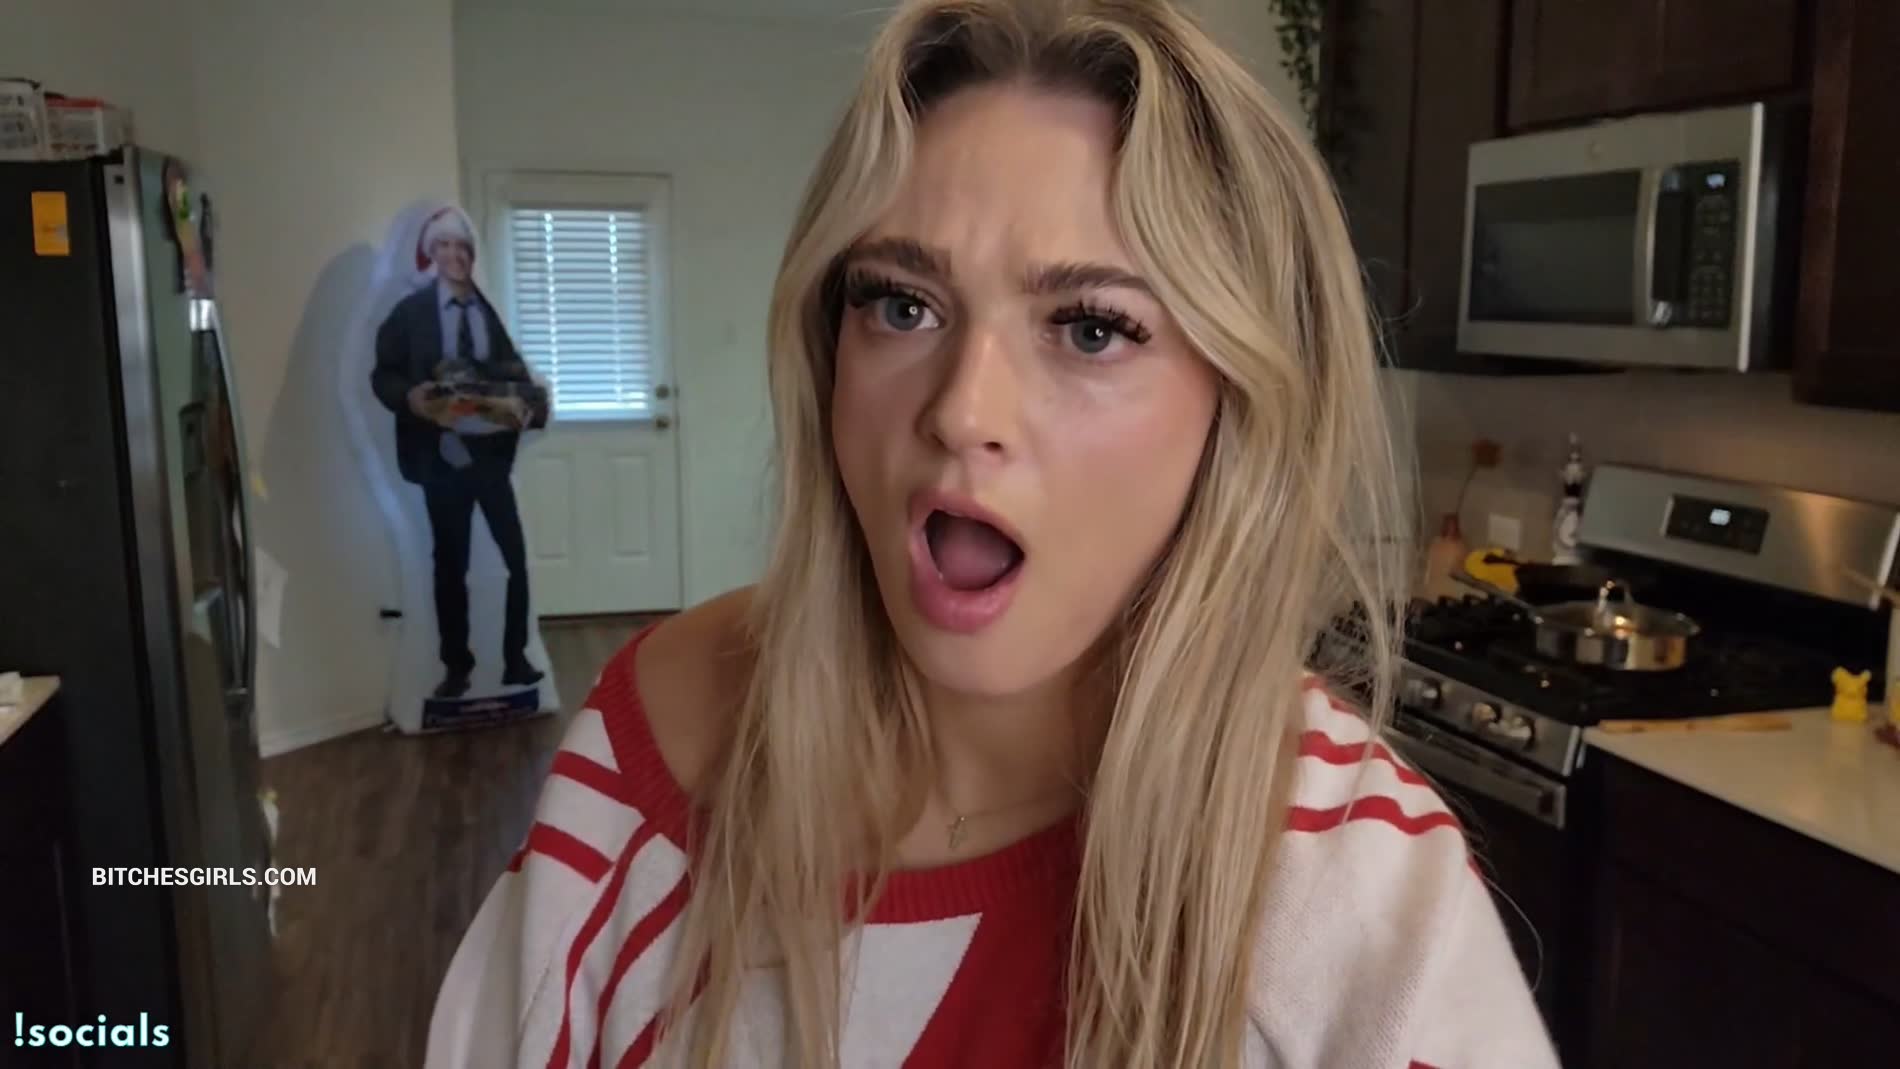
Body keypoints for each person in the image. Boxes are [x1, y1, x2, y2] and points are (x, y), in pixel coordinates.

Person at [426, 0, 1560, 1065]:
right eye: (901, 304)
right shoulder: (652, 753)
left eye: (1091, 327)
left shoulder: (1368, 913)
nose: (962, 410)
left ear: (1238, 403)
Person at [371, 207, 546, 699]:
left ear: (472, 254)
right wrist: (410, 397)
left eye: (462, 247)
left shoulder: (488, 312)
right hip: (441, 457)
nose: (454, 256)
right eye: (444, 246)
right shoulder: (410, 314)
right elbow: (383, 374)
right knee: (450, 564)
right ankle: (456, 666)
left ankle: (515, 659)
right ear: (432, 252)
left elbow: (513, 370)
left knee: (514, 560)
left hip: (490, 456)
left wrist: (526, 398)